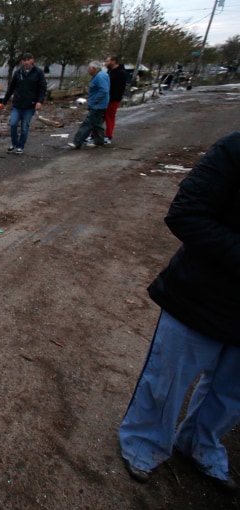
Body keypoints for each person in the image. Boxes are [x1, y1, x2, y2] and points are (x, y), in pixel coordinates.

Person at [118, 131, 240, 492]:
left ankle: (201, 444)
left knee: (231, 392)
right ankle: (144, 443)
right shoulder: (233, 150)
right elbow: (186, 214)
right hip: (201, 296)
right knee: (168, 379)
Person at [1, 52, 47, 155]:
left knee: (25, 126)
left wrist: (40, 101)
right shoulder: (18, 73)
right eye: (24, 60)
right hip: (17, 104)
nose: (26, 62)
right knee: (13, 123)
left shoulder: (38, 72)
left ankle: (21, 146)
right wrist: (4, 101)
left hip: (29, 105)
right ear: (22, 61)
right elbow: (11, 88)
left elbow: (43, 87)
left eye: (28, 60)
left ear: (32, 60)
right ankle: (14, 143)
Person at [68, 61, 110, 149]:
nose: (88, 71)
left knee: (87, 124)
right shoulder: (100, 75)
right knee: (97, 124)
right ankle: (99, 141)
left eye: (89, 69)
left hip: (97, 105)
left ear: (94, 69)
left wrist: (94, 101)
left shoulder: (100, 77)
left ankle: (77, 142)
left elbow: (104, 91)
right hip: (99, 104)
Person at [104, 55, 127, 144]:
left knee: (109, 117)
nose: (106, 63)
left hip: (113, 99)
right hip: (106, 98)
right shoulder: (110, 72)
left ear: (114, 62)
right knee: (100, 117)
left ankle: (108, 136)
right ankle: (94, 134)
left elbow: (118, 88)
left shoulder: (120, 73)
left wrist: (113, 97)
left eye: (107, 61)